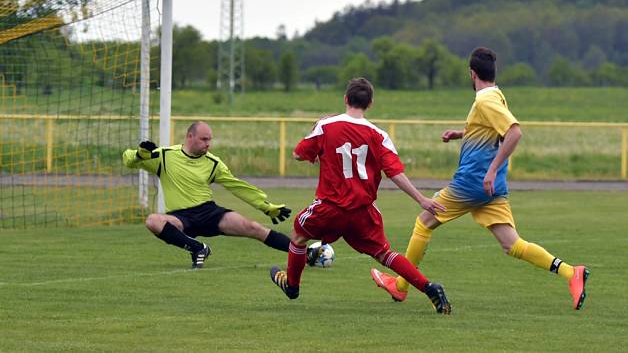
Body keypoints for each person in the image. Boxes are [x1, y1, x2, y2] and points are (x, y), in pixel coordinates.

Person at [371, 47, 589, 310]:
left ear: (472, 73)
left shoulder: (485, 100)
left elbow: (514, 133)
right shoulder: (495, 95)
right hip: (491, 188)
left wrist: (492, 168)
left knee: (424, 221)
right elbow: (490, 129)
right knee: (512, 244)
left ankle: (401, 286)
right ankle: (571, 273)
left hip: (473, 182)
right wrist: (462, 133)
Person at [268, 78, 452, 315]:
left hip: (330, 206)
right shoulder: (379, 135)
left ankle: (292, 286)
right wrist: (422, 200)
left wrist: (316, 148)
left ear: (345, 99)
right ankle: (429, 288)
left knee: (298, 238)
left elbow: (297, 154)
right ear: (370, 104)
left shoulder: (326, 125)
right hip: (363, 210)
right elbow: (395, 173)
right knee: (384, 254)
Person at [122, 121, 292, 269]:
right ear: (190, 136)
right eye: (204, 139)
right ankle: (198, 248)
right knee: (153, 221)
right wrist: (139, 155)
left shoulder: (213, 163)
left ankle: (304, 254)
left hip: (209, 213)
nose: (208, 144)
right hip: (180, 218)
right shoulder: (165, 156)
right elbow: (128, 160)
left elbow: (237, 186)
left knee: (254, 228)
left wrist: (266, 206)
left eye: (209, 139)